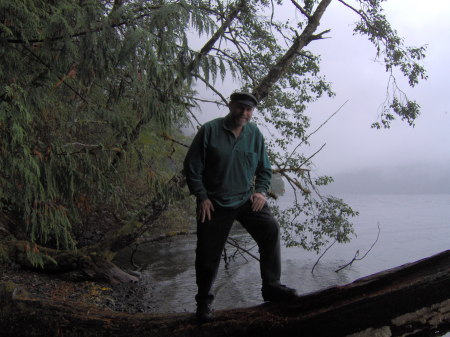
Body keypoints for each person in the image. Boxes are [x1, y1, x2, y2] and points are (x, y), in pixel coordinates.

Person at [183, 92, 297, 323]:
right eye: (241, 108)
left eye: (249, 110)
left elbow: (264, 169)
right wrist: (202, 196)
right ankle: (204, 301)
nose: (245, 113)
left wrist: (261, 191)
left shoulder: (254, 134)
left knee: (270, 229)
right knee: (207, 254)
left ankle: (271, 286)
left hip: (246, 199)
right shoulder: (210, 130)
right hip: (214, 203)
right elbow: (192, 166)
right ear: (231, 105)